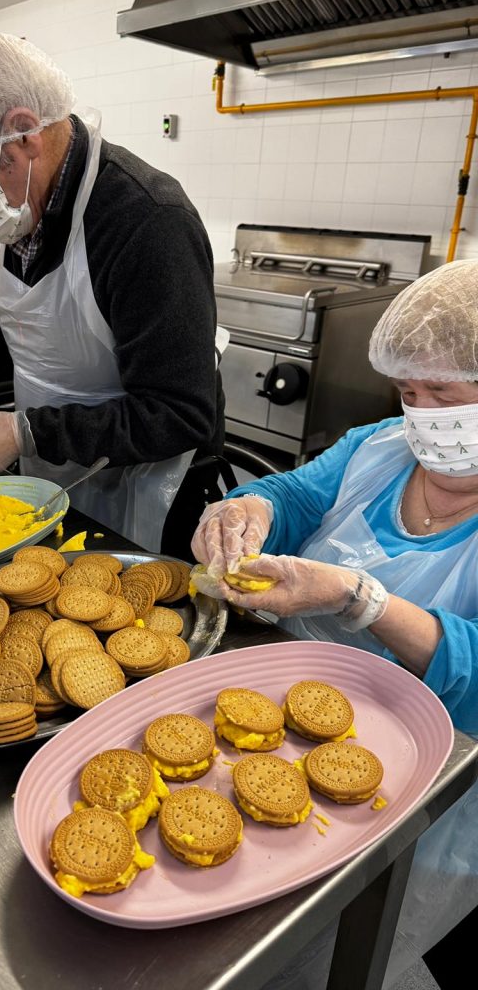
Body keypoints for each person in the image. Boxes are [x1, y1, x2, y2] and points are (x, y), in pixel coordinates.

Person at [192, 259, 478, 987]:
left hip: (417, 786)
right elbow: (296, 495)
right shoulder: (380, 448)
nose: (421, 416)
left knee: (325, 958)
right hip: (274, 725)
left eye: (443, 395)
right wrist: (250, 510)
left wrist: (362, 601)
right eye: (408, 392)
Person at [0, 24, 224, 553]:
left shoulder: (146, 221)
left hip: (148, 491)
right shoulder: (12, 205)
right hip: (52, 473)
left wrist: (27, 433)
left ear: (23, 133)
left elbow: (179, 413)